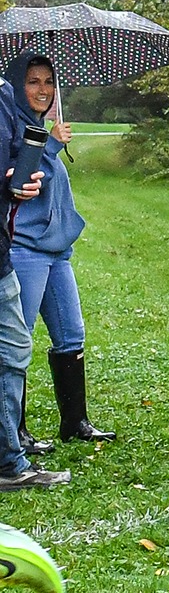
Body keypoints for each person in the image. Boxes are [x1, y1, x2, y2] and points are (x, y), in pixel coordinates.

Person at [6, 53, 115, 452]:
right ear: (17, 86)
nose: (43, 89)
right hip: (25, 250)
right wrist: (50, 144)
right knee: (16, 342)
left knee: (71, 334)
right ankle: (14, 431)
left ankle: (75, 421)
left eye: (49, 81)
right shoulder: (11, 127)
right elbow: (21, 177)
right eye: (33, 81)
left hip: (56, 252)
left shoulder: (39, 126)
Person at [0, 72, 54, 491]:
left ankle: (10, 457)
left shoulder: (3, 95)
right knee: (14, 347)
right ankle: (9, 461)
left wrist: (17, 181)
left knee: (15, 348)